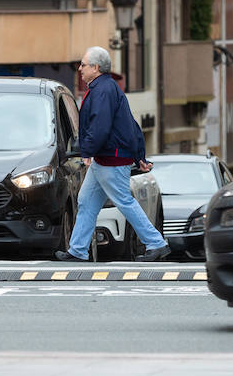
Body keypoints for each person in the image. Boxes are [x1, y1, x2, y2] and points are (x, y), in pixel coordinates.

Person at [55, 46, 171, 262]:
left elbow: (100, 126)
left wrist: (86, 151)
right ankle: (78, 250)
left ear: (96, 68)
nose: (80, 69)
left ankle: (157, 243)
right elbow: (130, 125)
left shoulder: (102, 90)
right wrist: (139, 156)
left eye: (83, 64)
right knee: (86, 200)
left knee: (124, 201)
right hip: (106, 158)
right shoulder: (107, 88)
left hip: (111, 159)